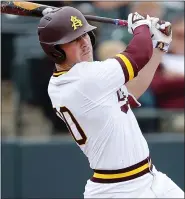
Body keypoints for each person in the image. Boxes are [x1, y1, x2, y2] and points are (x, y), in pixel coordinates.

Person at [37, 6, 184, 198]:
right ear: (56, 51)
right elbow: (138, 55)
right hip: (118, 188)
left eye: (85, 35)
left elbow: (131, 93)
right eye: (73, 40)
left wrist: (159, 47)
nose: (84, 43)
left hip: (149, 177)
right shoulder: (83, 79)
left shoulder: (76, 79)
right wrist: (142, 27)